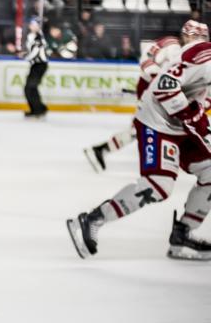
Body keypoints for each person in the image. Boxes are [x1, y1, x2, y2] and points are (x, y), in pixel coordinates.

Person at [67, 21, 211, 261]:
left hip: (178, 122)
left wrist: (196, 121)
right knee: (158, 185)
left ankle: (182, 236)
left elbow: (200, 102)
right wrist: (191, 118)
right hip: (157, 120)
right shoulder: (201, 54)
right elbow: (165, 87)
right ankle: (92, 220)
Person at [83, 35, 182, 172]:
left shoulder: (174, 45)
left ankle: (102, 149)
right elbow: (153, 62)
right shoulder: (174, 48)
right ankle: (100, 149)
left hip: (152, 86)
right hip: (153, 87)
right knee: (142, 128)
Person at [21, 17, 49, 119]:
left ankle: (39, 109)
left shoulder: (38, 37)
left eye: (34, 24)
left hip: (40, 65)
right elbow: (30, 51)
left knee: (30, 87)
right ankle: (36, 109)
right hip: (35, 65)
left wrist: (25, 57)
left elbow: (35, 52)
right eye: (31, 24)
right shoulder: (32, 36)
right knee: (29, 88)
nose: (32, 26)